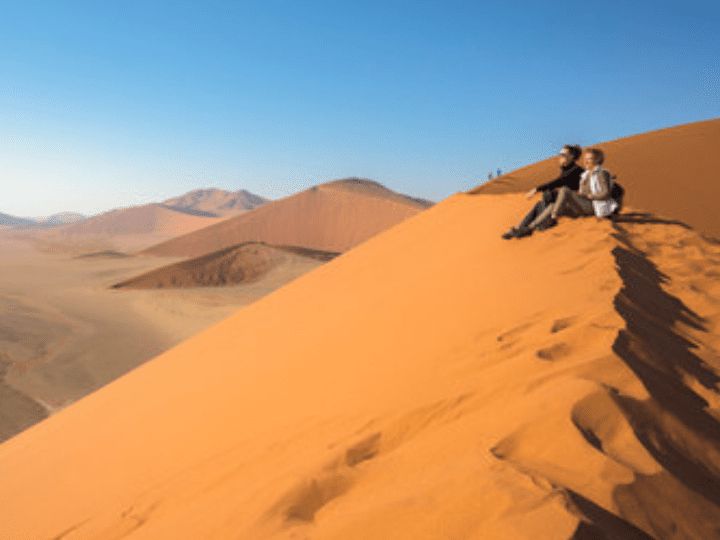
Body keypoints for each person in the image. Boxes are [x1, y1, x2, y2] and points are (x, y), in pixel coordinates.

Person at [502, 144, 584, 239]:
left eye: (563, 155)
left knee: (549, 201)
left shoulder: (575, 171)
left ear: (572, 156)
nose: (560, 157)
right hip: (563, 201)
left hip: (572, 205)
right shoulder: (567, 170)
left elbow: (558, 182)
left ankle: (532, 227)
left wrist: (537, 189)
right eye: (560, 154)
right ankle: (519, 228)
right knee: (539, 204)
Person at [525, 147, 617, 229]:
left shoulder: (600, 173)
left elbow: (606, 193)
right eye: (585, 159)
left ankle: (554, 216)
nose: (586, 161)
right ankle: (529, 228)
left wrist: (591, 196)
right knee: (553, 205)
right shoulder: (585, 175)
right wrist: (581, 194)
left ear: (597, 160)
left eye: (590, 159)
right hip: (584, 205)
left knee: (564, 190)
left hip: (594, 207)